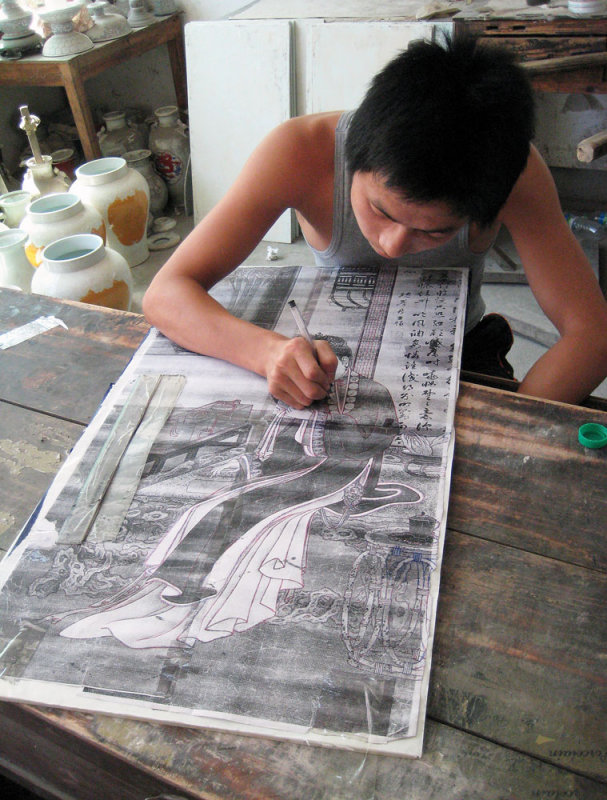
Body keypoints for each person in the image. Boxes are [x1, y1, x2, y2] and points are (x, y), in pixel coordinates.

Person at [143, 34, 607, 408]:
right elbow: (166, 292)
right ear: (354, 158)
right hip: (329, 360)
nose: (392, 244)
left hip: (460, 351)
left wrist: (510, 430)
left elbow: (592, 333)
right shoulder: (299, 152)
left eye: (434, 231)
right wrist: (265, 352)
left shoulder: (513, 173)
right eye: (380, 210)